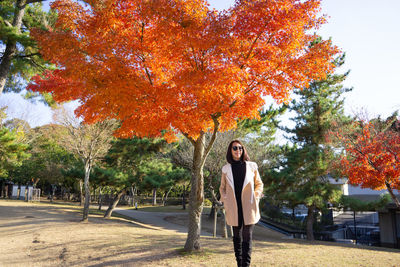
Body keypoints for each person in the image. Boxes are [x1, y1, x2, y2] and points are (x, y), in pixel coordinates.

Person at [219, 140, 264, 267]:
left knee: (247, 237)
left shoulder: (252, 166)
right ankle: (239, 264)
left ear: (243, 150)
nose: (238, 150)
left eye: (240, 148)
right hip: (234, 207)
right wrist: (226, 199)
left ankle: (246, 265)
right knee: (237, 238)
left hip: (249, 206)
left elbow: (259, 183)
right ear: (230, 150)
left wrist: (256, 196)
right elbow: (222, 188)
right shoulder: (226, 169)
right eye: (235, 148)